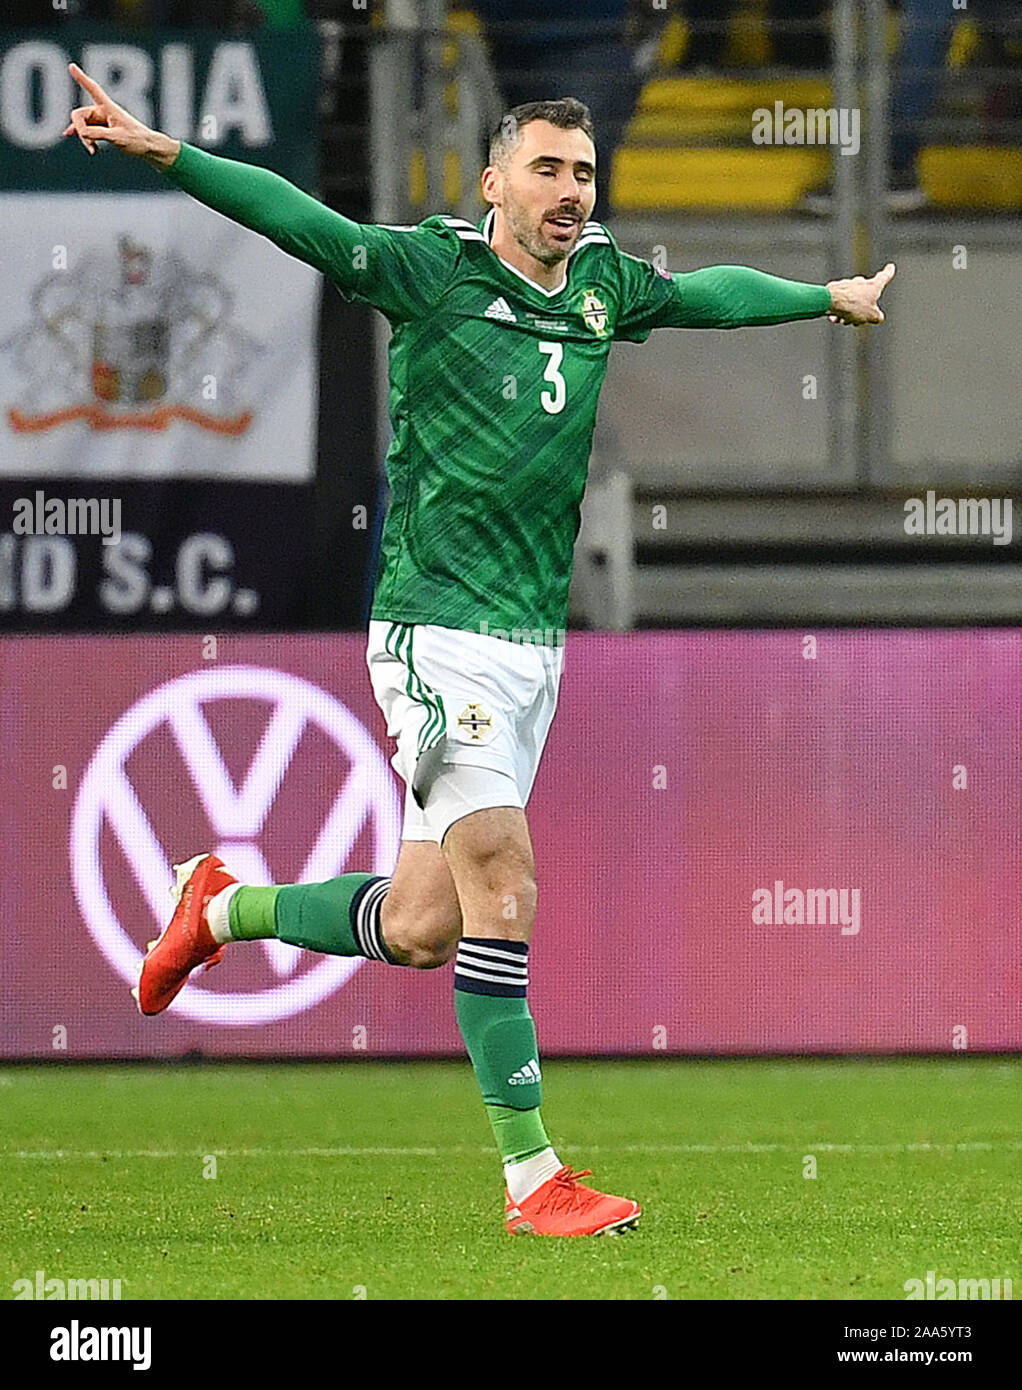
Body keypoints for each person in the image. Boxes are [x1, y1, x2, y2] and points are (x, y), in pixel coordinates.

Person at [65, 64, 894, 1237]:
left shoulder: (604, 285)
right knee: (504, 880)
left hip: (528, 651)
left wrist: (826, 295)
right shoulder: (431, 271)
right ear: (493, 182)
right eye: (546, 170)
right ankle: (531, 1176)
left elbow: (703, 293)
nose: (569, 192)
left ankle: (221, 908)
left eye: (584, 173)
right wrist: (167, 153)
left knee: (421, 925)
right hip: (432, 629)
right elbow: (298, 218)